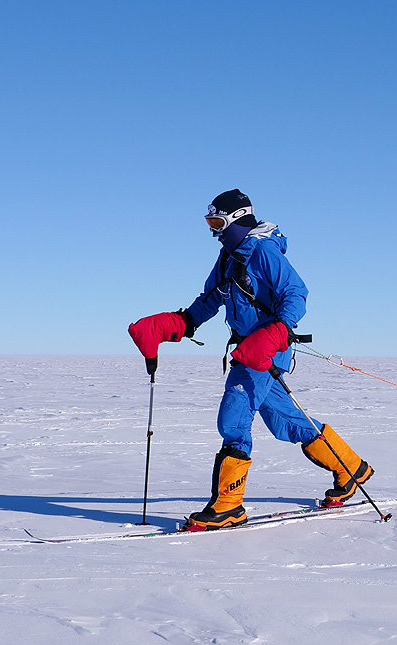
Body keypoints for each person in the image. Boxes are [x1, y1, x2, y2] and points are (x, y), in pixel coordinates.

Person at [127, 189, 374, 530]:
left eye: (217, 221)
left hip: (264, 350)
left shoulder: (264, 250)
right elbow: (209, 300)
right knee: (285, 421)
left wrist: (275, 333)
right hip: (248, 350)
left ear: (236, 219)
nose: (213, 230)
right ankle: (350, 469)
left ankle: (229, 505)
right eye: (209, 222)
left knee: (233, 421)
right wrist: (177, 324)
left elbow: (296, 294)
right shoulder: (228, 257)